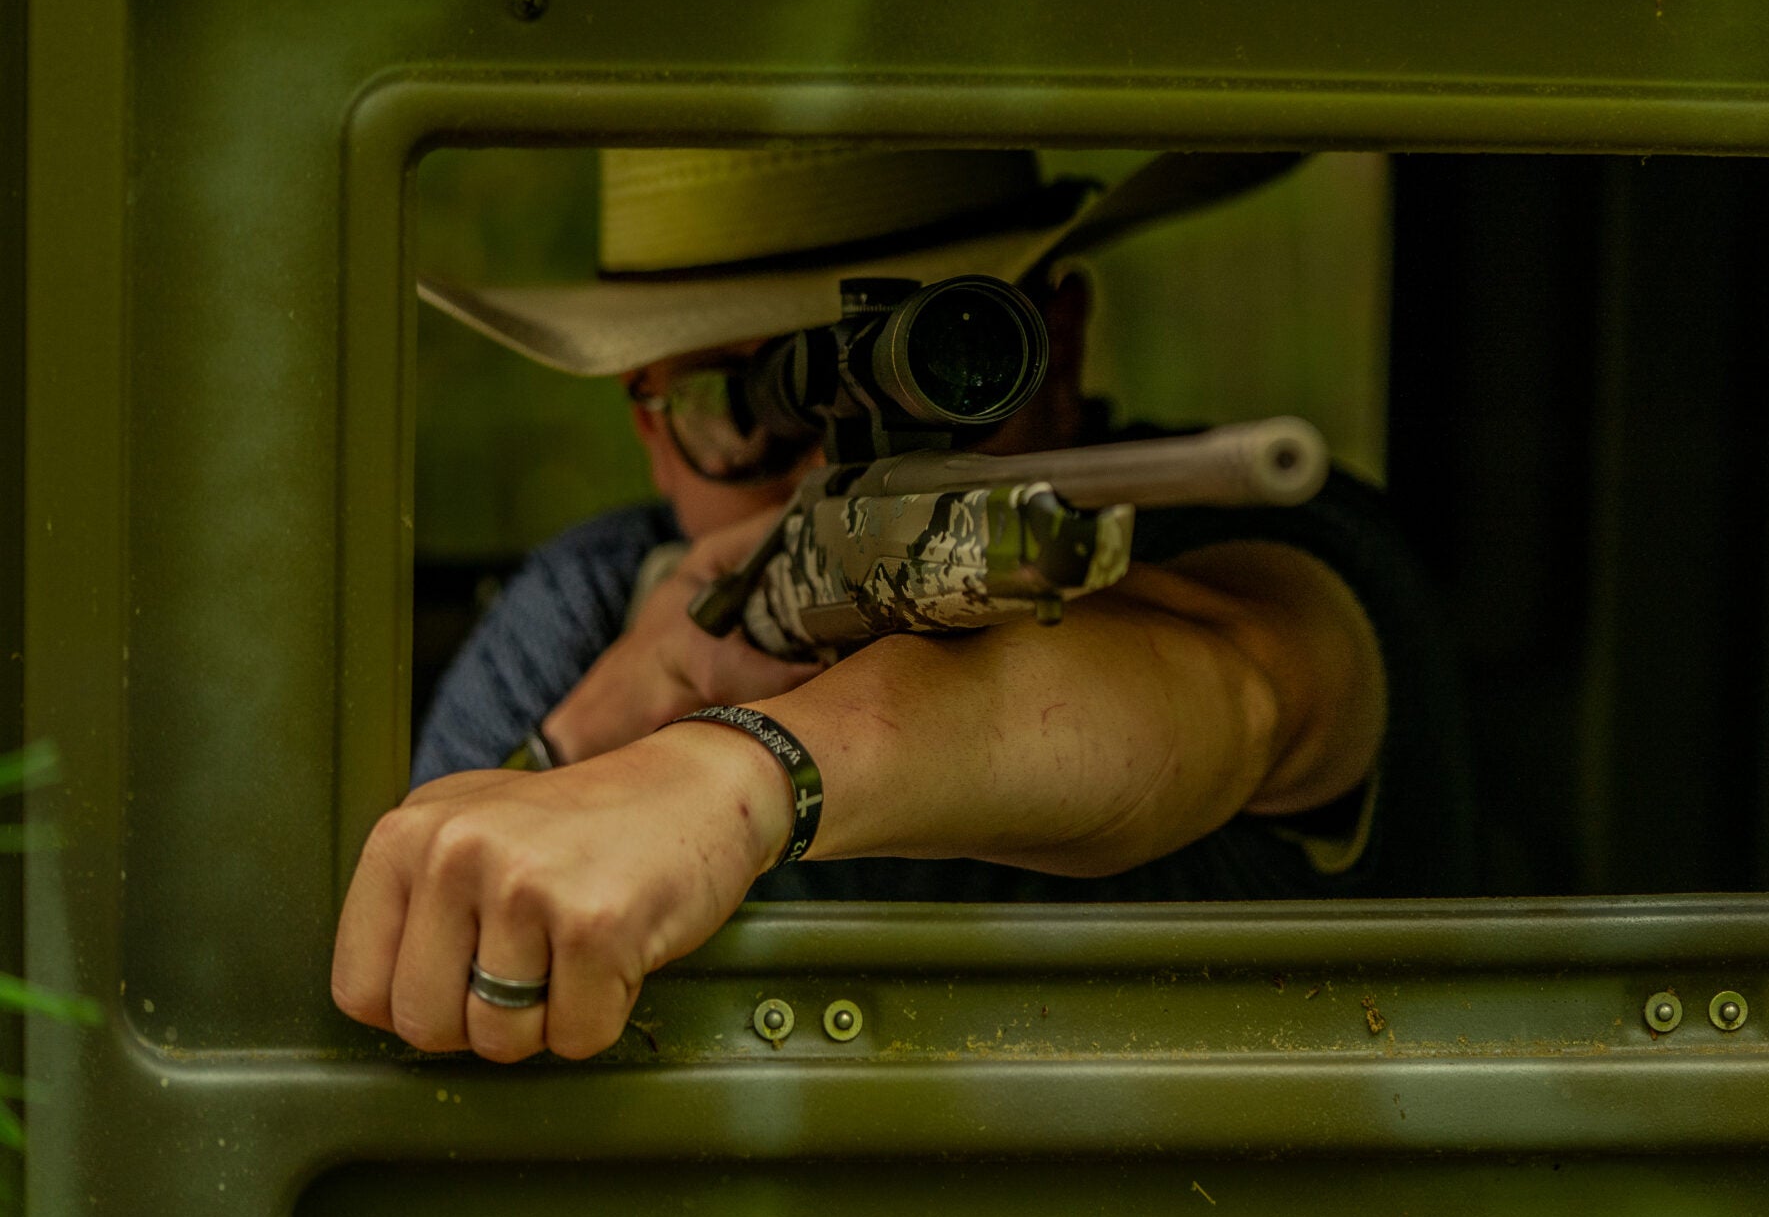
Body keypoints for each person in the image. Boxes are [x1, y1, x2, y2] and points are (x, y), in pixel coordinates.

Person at [331, 144, 1471, 1065]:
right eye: (734, 405)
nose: (818, 463)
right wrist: (600, 727)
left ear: (1054, 343)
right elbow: (422, 959)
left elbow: (1224, 694)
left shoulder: (1248, 551)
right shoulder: (600, 601)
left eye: (935, 368)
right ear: (649, 426)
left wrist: (725, 777)